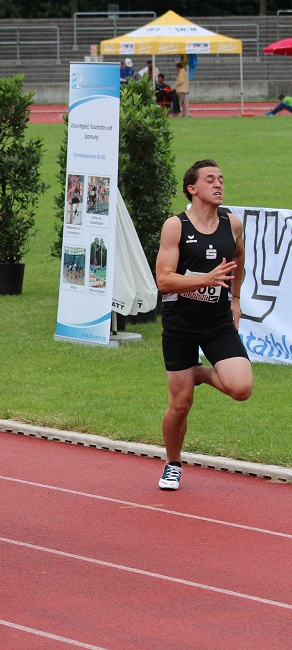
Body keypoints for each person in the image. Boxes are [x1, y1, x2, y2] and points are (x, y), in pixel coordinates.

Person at [155, 160, 253, 491]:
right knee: (180, 405)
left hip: (217, 323)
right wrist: (204, 280)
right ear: (192, 189)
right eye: (210, 179)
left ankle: (198, 373)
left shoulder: (232, 223)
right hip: (180, 324)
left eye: (221, 179)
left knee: (242, 388)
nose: (219, 184)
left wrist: (235, 299)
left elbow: (238, 260)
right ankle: (172, 463)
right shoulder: (175, 226)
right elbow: (164, 280)